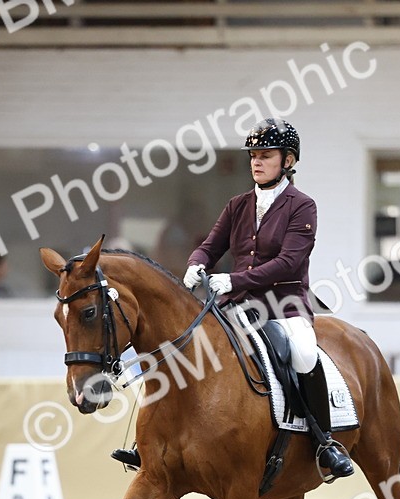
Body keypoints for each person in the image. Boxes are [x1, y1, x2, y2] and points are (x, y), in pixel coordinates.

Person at [111, 118, 354, 479]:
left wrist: (234, 278)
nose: (256, 162)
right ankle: (152, 442)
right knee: (182, 348)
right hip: (237, 305)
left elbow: (289, 262)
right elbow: (210, 246)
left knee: (303, 354)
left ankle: (324, 441)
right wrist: (196, 264)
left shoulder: (302, 206)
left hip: (284, 304)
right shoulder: (238, 205)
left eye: (266, 155)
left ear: (287, 160)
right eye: (253, 155)